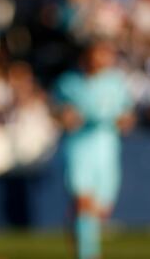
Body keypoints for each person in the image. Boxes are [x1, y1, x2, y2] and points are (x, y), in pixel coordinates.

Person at [53, 40, 135, 259]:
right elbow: (59, 112)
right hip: (79, 150)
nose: (101, 60)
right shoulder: (68, 83)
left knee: (100, 211)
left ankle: (80, 239)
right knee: (83, 204)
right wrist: (66, 116)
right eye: (97, 54)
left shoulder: (115, 83)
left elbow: (127, 115)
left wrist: (124, 121)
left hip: (106, 150)